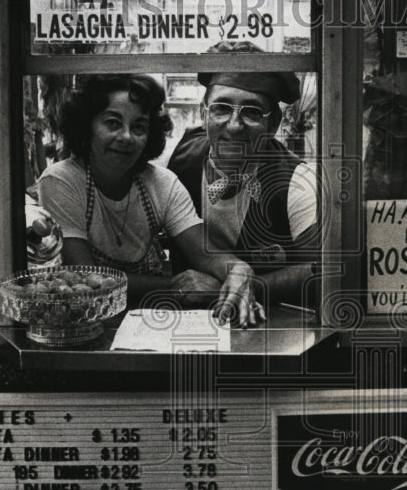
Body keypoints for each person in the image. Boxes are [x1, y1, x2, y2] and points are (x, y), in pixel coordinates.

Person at [37, 74, 263, 327]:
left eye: (139, 127)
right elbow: (86, 276)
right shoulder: (62, 180)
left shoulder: (162, 183)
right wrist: (176, 285)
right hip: (85, 322)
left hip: (152, 321)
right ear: (87, 125)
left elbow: (206, 255)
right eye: (112, 123)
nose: (126, 137)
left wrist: (239, 270)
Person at [167, 42, 319, 306]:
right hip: (184, 321)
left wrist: (236, 290)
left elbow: (321, 271)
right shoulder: (173, 161)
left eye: (251, 112)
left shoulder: (297, 182)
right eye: (222, 108)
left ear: (273, 124)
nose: (234, 125)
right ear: (203, 113)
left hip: (270, 324)